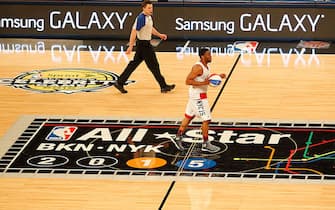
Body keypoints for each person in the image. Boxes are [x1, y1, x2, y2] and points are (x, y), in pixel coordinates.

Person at [114, 0, 175, 94]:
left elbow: (150, 28)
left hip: (144, 45)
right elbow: (134, 31)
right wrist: (130, 46)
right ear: (144, 8)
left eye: (152, 8)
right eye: (149, 8)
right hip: (144, 45)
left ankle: (119, 82)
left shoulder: (148, 17)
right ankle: (163, 86)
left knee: (134, 64)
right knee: (154, 65)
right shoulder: (141, 18)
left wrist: (159, 35)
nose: (151, 10)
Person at [172, 48, 226, 153]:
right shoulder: (198, 67)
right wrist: (204, 83)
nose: (211, 56)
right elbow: (188, 81)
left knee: (188, 117)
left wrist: (218, 76)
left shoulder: (205, 66)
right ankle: (206, 143)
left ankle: (178, 137)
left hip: (195, 95)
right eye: (208, 54)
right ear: (202, 56)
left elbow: (206, 78)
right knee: (206, 119)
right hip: (198, 96)